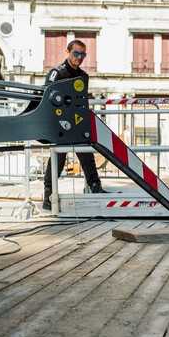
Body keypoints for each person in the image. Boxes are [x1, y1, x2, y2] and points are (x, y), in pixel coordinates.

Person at [42, 40, 106, 210]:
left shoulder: (83, 77)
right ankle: (48, 196)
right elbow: (47, 97)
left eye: (83, 55)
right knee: (58, 159)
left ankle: (95, 186)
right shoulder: (56, 73)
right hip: (59, 123)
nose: (79, 58)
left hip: (77, 122)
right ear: (68, 52)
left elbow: (81, 101)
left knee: (86, 154)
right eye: (76, 54)